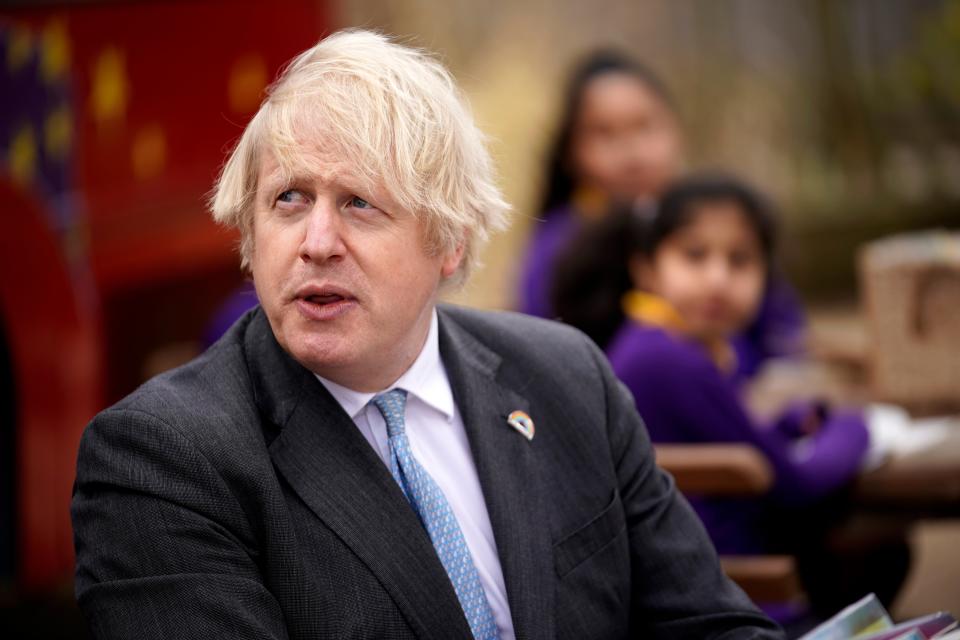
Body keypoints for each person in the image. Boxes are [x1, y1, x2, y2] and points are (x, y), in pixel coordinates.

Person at [70, 31, 783, 639]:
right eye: (288, 198)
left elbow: (711, 624)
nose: (317, 241)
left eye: (359, 203)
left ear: (449, 242)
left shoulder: (565, 379)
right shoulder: (161, 460)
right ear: (251, 231)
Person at [553, 174, 905, 616]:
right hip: (726, 602)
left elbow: (726, 432)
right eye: (695, 255)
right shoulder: (667, 358)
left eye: (740, 260)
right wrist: (858, 427)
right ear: (646, 268)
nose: (718, 278)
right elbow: (794, 484)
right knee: (879, 551)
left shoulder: (679, 343)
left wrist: (793, 420)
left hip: (716, 580)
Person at [519, 51, 804, 379]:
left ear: (676, 130)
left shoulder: (718, 223)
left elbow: (783, 340)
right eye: (604, 133)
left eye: (645, 126)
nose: (631, 151)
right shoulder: (557, 245)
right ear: (570, 152)